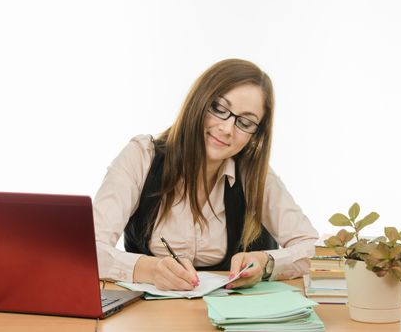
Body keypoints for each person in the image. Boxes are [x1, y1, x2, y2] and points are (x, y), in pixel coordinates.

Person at [93, 59, 318, 291]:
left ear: (256, 134)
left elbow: (312, 249)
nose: (227, 129)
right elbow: (88, 250)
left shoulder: (254, 175)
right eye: (219, 109)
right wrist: (149, 269)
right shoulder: (141, 156)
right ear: (198, 102)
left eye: (245, 122)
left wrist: (267, 264)